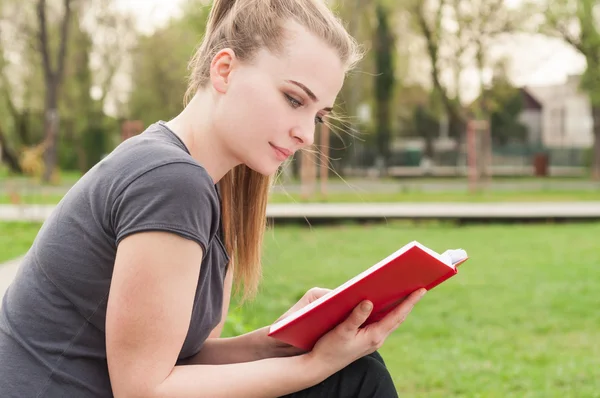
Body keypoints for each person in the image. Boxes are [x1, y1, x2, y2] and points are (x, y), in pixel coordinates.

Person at [0, 0, 427, 396]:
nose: (307, 133)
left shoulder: (206, 186)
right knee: (355, 378)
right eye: (293, 99)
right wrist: (315, 365)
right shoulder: (171, 180)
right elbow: (143, 390)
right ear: (225, 70)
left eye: (318, 114)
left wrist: (281, 339)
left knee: (357, 370)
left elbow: (182, 361)